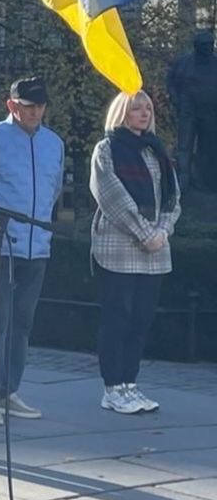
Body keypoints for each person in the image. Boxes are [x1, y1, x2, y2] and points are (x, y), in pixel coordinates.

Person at [0, 76, 64, 425]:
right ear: (11, 105)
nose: (34, 112)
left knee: (22, 323)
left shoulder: (54, 143)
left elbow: (52, 191)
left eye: (39, 106)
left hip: (37, 246)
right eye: (27, 106)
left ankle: (9, 391)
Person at [89, 91, 181, 414]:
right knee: (118, 317)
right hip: (118, 246)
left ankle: (130, 383)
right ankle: (112, 387)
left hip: (154, 250)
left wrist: (163, 230)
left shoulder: (157, 151)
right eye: (136, 108)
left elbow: (172, 198)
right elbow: (111, 196)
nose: (144, 113)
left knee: (141, 319)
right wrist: (145, 233)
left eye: (148, 108)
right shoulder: (107, 148)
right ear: (122, 113)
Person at [166, 29, 217, 193]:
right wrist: (176, 100)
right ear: (197, 46)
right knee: (184, 145)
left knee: (207, 147)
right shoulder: (183, 63)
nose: (208, 48)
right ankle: (183, 181)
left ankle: (204, 181)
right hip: (188, 111)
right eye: (204, 45)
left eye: (210, 45)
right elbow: (170, 82)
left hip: (210, 112)